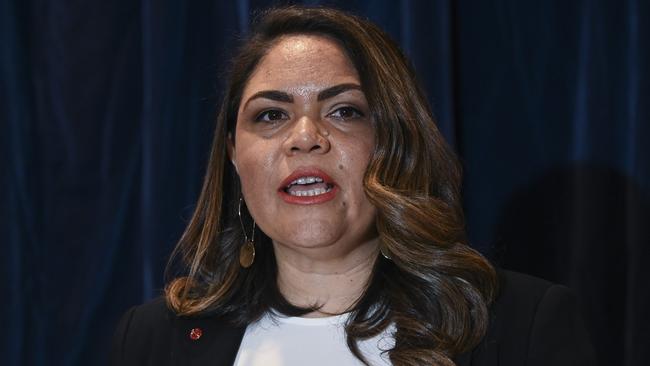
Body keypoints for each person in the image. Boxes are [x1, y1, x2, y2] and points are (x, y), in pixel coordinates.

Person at [110, 6, 596, 366]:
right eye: (271, 114)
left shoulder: (522, 327)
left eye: (345, 111)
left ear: (397, 143)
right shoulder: (152, 342)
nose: (305, 138)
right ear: (234, 155)